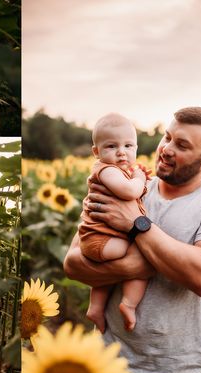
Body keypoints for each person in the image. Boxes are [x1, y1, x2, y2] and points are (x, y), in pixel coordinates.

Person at [64, 107, 201, 373]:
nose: (166, 149)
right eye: (167, 137)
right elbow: (73, 263)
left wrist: (135, 225)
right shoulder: (128, 189)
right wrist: (149, 264)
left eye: (182, 145)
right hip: (108, 366)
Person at [78, 113, 151, 333]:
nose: (121, 151)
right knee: (143, 257)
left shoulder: (118, 171)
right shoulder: (107, 170)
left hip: (101, 239)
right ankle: (129, 304)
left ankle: (96, 307)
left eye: (128, 145)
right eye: (111, 146)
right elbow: (129, 192)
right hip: (101, 240)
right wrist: (140, 179)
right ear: (96, 152)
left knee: (108, 273)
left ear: (136, 148)